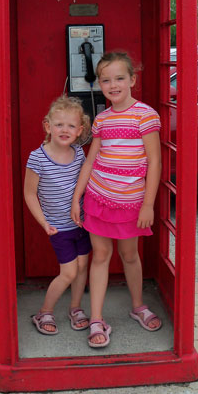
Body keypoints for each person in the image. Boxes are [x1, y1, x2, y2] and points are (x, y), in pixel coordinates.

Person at [71, 51, 162, 348]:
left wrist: (148, 204)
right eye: (106, 80)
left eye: (119, 78)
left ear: (132, 80)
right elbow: (89, 162)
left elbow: (155, 161)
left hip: (131, 202)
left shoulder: (145, 115)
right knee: (100, 256)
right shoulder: (102, 118)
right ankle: (96, 318)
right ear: (99, 83)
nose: (113, 85)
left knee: (130, 255)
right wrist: (77, 198)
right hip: (99, 198)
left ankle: (138, 306)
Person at [24, 96, 92, 335]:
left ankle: (75, 308)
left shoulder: (79, 154)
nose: (65, 130)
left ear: (80, 130)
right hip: (58, 227)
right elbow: (30, 194)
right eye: (59, 124)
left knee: (83, 266)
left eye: (71, 126)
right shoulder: (38, 158)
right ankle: (45, 311)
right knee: (69, 272)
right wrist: (44, 223)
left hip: (81, 224)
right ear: (48, 126)